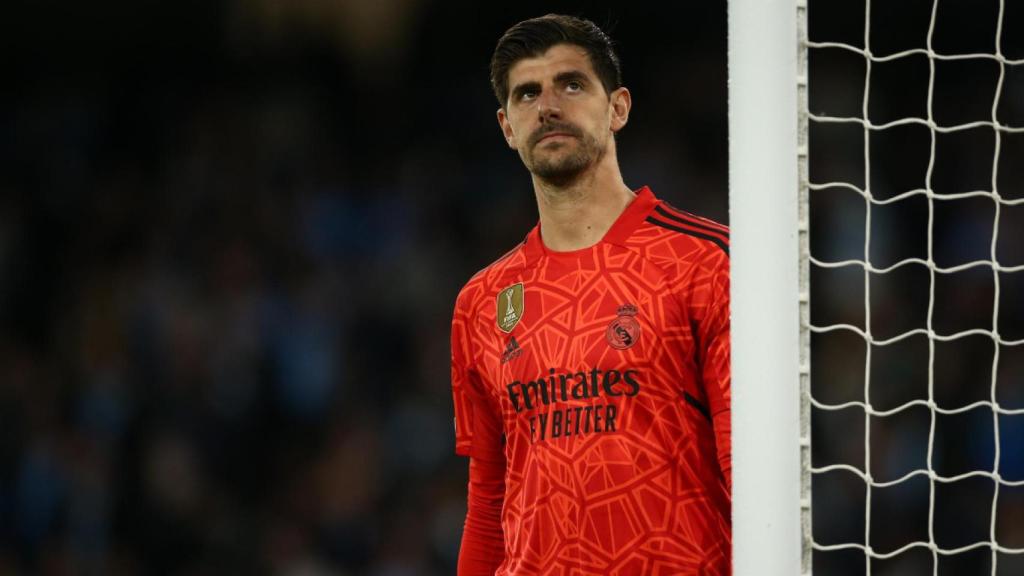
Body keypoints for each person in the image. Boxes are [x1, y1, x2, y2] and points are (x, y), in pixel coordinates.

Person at [450, 14, 731, 575]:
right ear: (507, 127)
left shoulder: (704, 261)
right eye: (527, 93)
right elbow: (488, 500)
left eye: (571, 84)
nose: (548, 105)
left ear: (619, 107)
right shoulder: (482, 301)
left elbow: (749, 469)